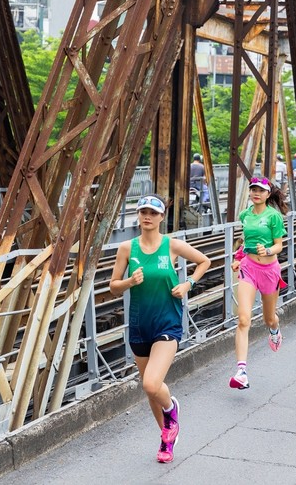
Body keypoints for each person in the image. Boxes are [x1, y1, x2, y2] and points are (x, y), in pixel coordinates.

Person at [110, 194, 211, 463]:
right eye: (143, 212)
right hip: (140, 325)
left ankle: (172, 409)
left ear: (161, 217)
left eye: (153, 213)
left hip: (167, 322)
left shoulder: (172, 245)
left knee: (152, 383)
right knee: (150, 391)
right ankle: (167, 438)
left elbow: (204, 261)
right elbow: (113, 286)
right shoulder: (127, 249)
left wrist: (188, 283)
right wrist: (130, 281)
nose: (147, 217)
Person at [229, 176, 288, 390]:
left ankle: (275, 329)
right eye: (253, 189)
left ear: (267, 194)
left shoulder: (274, 217)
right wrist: (237, 258)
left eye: (260, 190)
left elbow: (279, 245)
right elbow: (245, 241)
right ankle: (241, 371)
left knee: (268, 318)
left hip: (269, 271)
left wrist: (269, 250)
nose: (256, 193)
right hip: (249, 268)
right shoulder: (245, 215)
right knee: (244, 319)